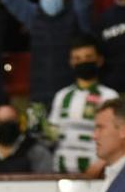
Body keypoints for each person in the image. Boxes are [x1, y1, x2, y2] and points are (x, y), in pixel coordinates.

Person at [0, 0, 92, 130]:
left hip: (75, 98)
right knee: (39, 149)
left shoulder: (77, 14)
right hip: (38, 99)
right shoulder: (33, 15)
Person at [46, 35, 119, 175]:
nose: (83, 62)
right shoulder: (61, 96)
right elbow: (52, 137)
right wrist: (40, 131)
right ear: (71, 62)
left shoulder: (109, 96)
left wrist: (101, 164)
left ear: (99, 60)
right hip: (61, 169)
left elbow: (115, 138)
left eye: (88, 57)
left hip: (96, 171)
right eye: (77, 59)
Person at [0, 104, 53, 175]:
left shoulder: (35, 151)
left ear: (19, 122)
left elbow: (46, 183)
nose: (5, 126)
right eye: (0, 122)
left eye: (10, 121)